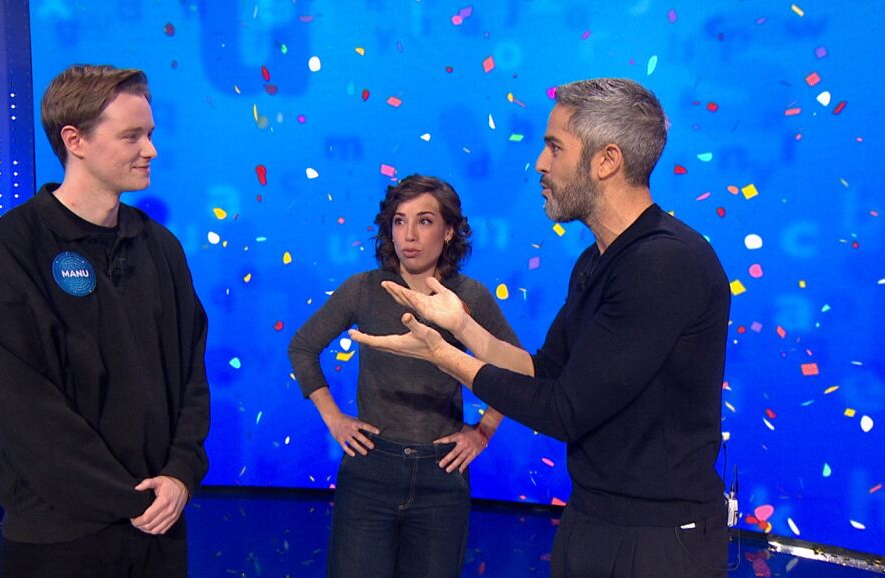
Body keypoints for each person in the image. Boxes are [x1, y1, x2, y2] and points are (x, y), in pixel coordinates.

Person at [350, 78, 731, 577]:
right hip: (593, 518)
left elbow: (565, 410)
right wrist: (462, 326)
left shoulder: (663, 264)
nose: (540, 164)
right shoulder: (596, 262)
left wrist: (446, 358)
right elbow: (545, 371)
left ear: (606, 160)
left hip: (657, 540)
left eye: (555, 147)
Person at [0, 64, 210, 577]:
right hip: (60, 534)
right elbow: (25, 405)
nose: (151, 150)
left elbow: (191, 375)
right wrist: (128, 498)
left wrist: (180, 474)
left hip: (160, 522)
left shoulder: (161, 248)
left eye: (150, 134)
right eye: (131, 136)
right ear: (74, 140)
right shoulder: (10, 248)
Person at [288, 175, 521, 578]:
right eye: (400, 221)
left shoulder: (470, 296)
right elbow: (302, 347)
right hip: (370, 471)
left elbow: (517, 370)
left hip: (441, 475)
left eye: (424, 221)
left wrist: (483, 431)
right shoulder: (363, 289)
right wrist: (334, 418)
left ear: (449, 231)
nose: (409, 235)